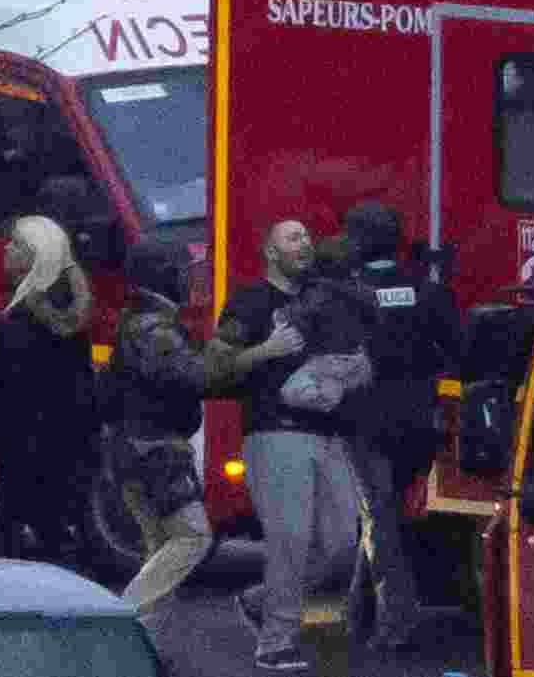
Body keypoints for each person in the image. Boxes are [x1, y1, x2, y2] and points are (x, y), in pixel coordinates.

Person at [206, 219, 359, 672]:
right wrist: (267, 350)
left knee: (343, 544)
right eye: (293, 238)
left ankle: (260, 600)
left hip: (330, 433)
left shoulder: (326, 299)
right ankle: (275, 644)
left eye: (308, 237)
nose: (306, 243)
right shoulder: (250, 302)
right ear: (271, 252)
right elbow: (215, 367)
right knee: (290, 540)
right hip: (274, 432)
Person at [338, 201, 461, 651]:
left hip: (367, 423)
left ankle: (396, 621)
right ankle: (357, 612)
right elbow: (455, 348)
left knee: (379, 519)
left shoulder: (347, 294)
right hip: (418, 424)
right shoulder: (426, 290)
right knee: (384, 519)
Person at [111, 238, 214, 653]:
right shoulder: (153, 326)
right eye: (182, 270)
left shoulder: (144, 319)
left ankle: (143, 650)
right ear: (164, 274)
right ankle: (116, 624)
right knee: (193, 538)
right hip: (153, 450)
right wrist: (253, 354)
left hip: (136, 448)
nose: (189, 278)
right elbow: (194, 375)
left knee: (160, 552)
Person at [0, 215, 96, 559]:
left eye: (16, 244)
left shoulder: (18, 324)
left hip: (25, 453)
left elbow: (4, 394)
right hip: (66, 450)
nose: (6, 248)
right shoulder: (69, 317)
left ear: (36, 257)